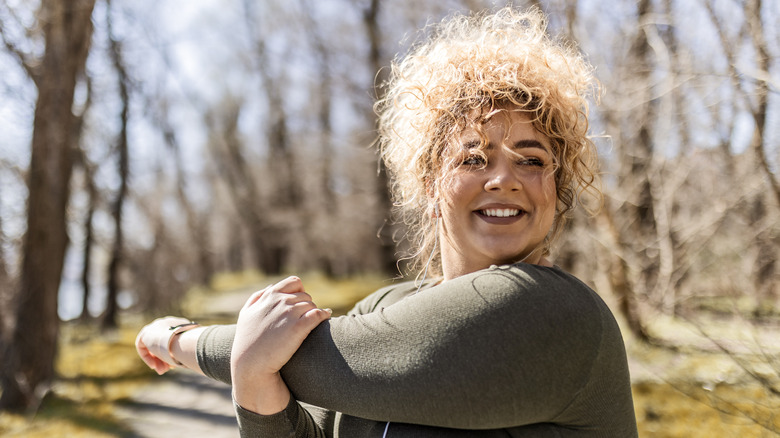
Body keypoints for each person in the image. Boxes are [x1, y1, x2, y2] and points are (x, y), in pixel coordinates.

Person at [136, 6, 638, 437]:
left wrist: (178, 340)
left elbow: (316, 363)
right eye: (474, 159)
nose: (505, 179)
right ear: (428, 184)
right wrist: (251, 379)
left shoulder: (556, 311)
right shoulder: (388, 305)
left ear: (558, 186)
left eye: (531, 160)